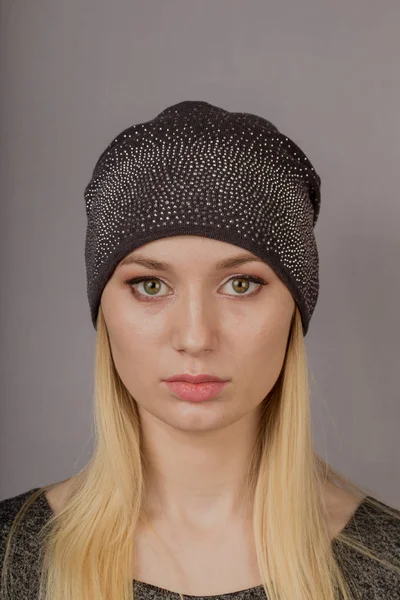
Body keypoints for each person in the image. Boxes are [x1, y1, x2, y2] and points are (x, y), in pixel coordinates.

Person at [1, 100, 399, 600]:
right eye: (149, 285)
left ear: (294, 309)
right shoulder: (10, 554)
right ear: (104, 308)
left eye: (240, 285)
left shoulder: (388, 567)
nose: (195, 337)